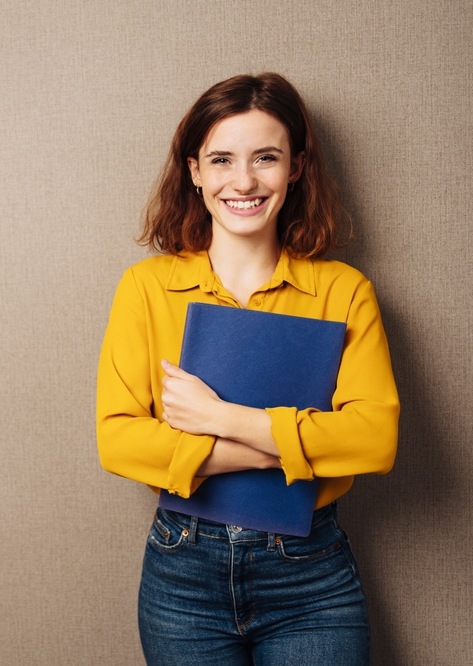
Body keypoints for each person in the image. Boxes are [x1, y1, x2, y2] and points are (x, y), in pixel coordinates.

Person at [95, 73, 399, 665]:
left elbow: (375, 439)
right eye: (222, 160)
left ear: (297, 168)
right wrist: (280, 447)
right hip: (182, 576)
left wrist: (218, 417)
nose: (243, 181)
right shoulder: (147, 288)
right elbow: (118, 440)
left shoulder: (344, 291)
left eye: (266, 157)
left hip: (310, 576)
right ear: (194, 171)